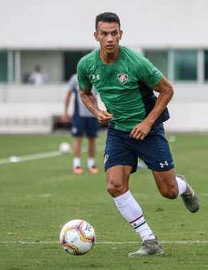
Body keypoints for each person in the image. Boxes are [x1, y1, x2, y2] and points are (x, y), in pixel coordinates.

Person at [77, 12, 200, 257]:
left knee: (168, 192)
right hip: (118, 132)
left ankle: (183, 186)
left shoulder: (136, 62)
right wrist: (96, 111)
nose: (110, 38)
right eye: (104, 34)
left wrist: (147, 122)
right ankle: (149, 240)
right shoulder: (86, 65)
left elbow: (166, 91)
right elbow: (84, 92)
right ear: (96, 36)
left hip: (149, 131)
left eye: (114, 33)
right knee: (114, 185)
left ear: (121, 34)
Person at [63, 74, 100, 174]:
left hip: (93, 113)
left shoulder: (96, 76)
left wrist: (99, 111)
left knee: (92, 139)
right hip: (79, 114)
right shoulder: (75, 78)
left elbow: (97, 95)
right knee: (78, 138)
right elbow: (68, 95)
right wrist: (65, 112)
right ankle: (77, 165)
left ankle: (91, 164)